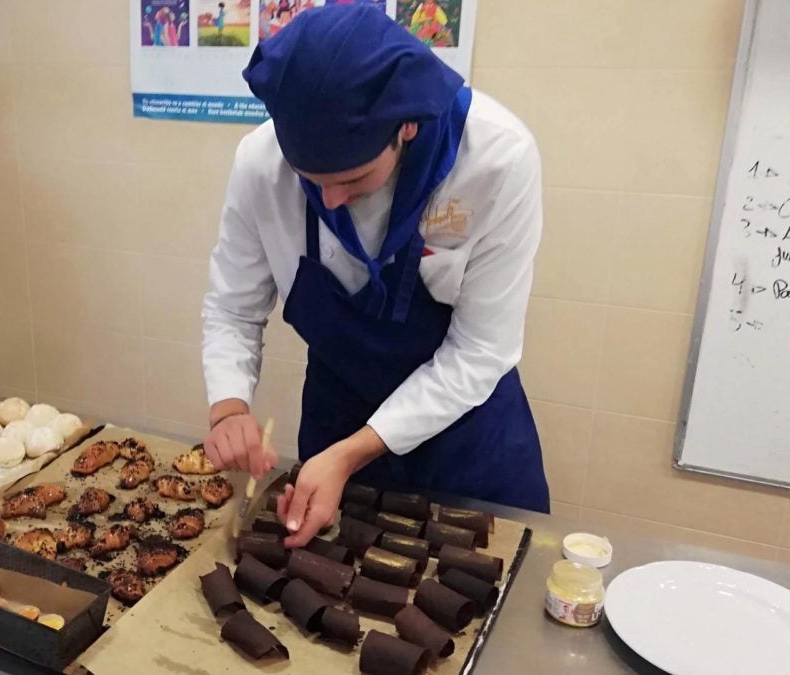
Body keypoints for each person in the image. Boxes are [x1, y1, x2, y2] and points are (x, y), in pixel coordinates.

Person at [200, 4, 549, 548]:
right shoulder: (260, 162)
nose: (331, 200)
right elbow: (232, 306)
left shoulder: (496, 160)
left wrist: (352, 452)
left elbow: (481, 351)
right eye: (310, 182)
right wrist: (228, 408)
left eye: (354, 180)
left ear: (405, 127)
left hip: (464, 438)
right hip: (337, 411)